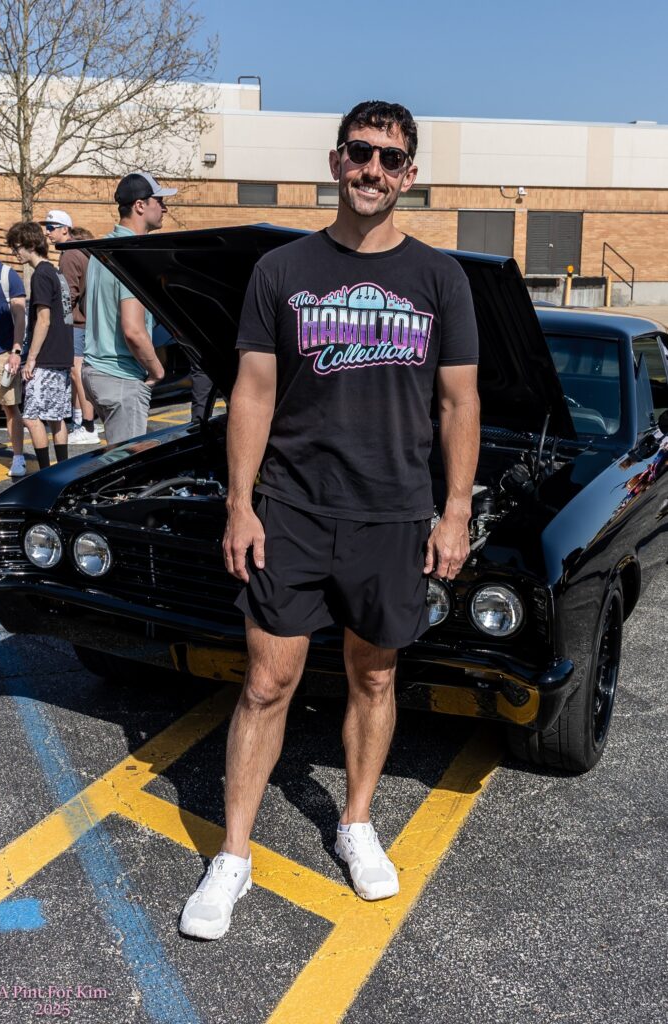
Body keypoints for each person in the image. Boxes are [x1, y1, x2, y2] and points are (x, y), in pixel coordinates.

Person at [179, 100, 481, 941]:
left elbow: (459, 403)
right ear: (335, 160)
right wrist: (240, 504)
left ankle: (354, 823)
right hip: (292, 509)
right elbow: (253, 392)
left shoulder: (440, 279)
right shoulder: (282, 270)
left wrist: (455, 510)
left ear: (408, 176)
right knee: (265, 682)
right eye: (359, 152)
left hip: (393, 512)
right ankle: (232, 856)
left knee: (373, 678)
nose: (372, 170)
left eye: (390, 158)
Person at [82, 172, 174, 444]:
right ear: (140, 205)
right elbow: (133, 330)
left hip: (96, 370)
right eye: (159, 201)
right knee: (128, 466)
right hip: (120, 376)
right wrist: (157, 371)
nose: (165, 208)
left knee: (116, 458)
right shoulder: (130, 254)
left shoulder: (102, 249)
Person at [5, 221, 74, 469]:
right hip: (62, 355)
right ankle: (63, 469)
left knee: (32, 418)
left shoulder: (41, 275)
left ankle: (45, 471)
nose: (15, 253)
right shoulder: (55, 272)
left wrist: (31, 358)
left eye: (17, 247)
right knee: (56, 418)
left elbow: (43, 319)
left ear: (31, 244)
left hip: (46, 357)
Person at [41, 211, 99, 446]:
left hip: (75, 323)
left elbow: (68, 295)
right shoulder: (80, 250)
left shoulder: (69, 255)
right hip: (83, 321)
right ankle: (81, 422)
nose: (47, 232)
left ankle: (88, 426)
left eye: (51, 227)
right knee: (78, 374)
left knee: (77, 373)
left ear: (65, 229)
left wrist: (57, 323)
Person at [0, 227, 27, 477]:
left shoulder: (7, 275)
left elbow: (20, 316)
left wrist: (16, 350)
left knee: (10, 407)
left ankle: (19, 457)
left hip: (2, 353)